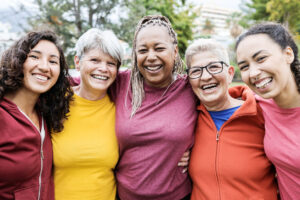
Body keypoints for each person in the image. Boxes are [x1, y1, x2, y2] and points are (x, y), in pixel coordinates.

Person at [114, 15, 198, 200]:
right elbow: (73, 85)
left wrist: (200, 152)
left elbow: (224, 107)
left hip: (178, 196)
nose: (151, 57)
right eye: (143, 50)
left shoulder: (191, 88)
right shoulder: (120, 83)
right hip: (125, 196)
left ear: (175, 51)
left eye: (159, 48)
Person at [185, 39, 278, 199]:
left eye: (214, 67)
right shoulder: (187, 120)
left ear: (229, 73)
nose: (206, 76)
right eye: (196, 71)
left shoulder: (264, 113)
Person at [51, 28, 123, 200]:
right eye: (95, 60)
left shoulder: (121, 110)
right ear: (77, 62)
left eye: (111, 63)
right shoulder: (54, 103)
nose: (103, 68)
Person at [0, 30, 72, 200]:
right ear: (16, 61)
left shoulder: (45, 114)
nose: (44, 67)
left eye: (53, 61)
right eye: (35, 57)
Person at [235, 22, 300, 199]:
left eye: (261, 58)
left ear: (288, 54)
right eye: (245, 66)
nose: (254, 72)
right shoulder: (259, 105)